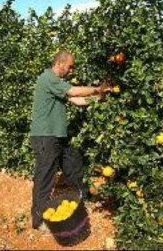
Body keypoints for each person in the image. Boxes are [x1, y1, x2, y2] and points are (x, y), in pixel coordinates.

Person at [29, 50, 111, 229]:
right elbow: (73, 92)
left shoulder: (57, 84)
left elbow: (79, 101)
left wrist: (99, 97)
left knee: (73, 163)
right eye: (70, 66)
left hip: (58, 136)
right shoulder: (48, 78)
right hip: (46, 136)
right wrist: (97, 88)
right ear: (60, 63)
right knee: (45, 177)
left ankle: (82, 197)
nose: (71, 70)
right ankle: (38, 219)